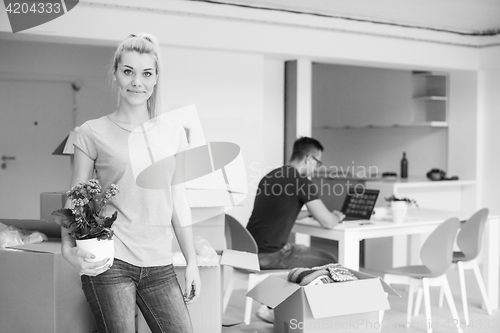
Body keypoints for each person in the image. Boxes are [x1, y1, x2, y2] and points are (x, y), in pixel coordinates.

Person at [60, 33, 200, 333]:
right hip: (111, 260)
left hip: (160, 263)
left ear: (156, 77)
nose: (138, 82)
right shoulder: (92, 132)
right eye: (128, 72)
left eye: (146, 73)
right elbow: (75, 197)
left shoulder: (174, 133)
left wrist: (192, 262)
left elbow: (179, 201)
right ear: (116, 73)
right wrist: (67, 249)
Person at [246, 137, 344, 322]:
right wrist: (338, 215)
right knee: (330, 261)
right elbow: (328, 222)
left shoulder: (271, 176)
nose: (316, 168)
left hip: (249, 250)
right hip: (271, 254)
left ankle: (272, 305)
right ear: (308, 158)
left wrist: (306, 214)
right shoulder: (301, 181)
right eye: (317, 162)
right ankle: (317, 316)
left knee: (300, 250)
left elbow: (277, 212)